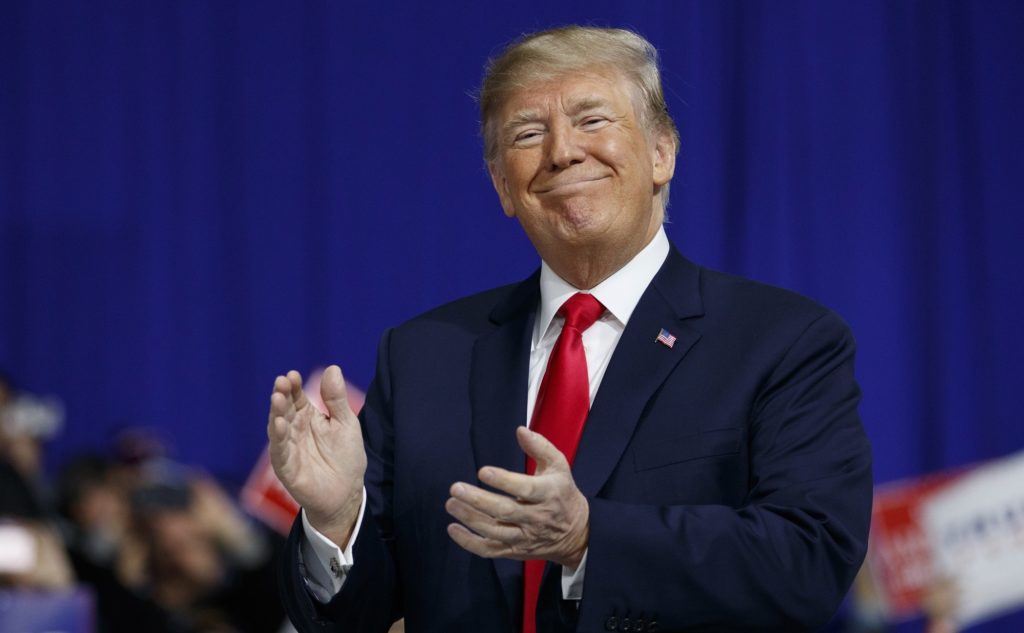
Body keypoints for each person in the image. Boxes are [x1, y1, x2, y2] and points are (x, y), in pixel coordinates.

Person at [268, 26, 872, 633]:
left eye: (592, 120)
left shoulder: (783, 340)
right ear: (503, 185)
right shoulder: (425, 354)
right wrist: (338, 517)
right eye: (528, 134)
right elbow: (358, 616)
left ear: (662, 153)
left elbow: (808, 562)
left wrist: (588, 538)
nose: (561, 151)